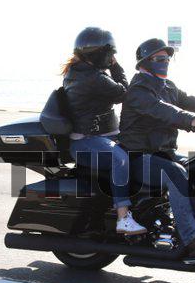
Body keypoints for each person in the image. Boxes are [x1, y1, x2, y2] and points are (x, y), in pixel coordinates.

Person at [119, 38, 195, 257]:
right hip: (137, 156)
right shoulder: (138, 89)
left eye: (168, 59)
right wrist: (193, 120)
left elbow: (194, 101)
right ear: (145, 62)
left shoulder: (167, 86)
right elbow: (163, 110)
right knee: (174, 172)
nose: (165, 62)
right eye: (160, 59)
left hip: (163, 153)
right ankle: (191, 237)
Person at [63, 27, 147, 235]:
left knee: (142, 146)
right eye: (110, 54)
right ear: (99, 54)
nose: (112, 58)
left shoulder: (81, 71)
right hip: (86, 141)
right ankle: (123, 217)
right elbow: (124, 92)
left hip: (99, 137)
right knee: (120, 159)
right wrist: (116, 67)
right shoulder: (92, 78)